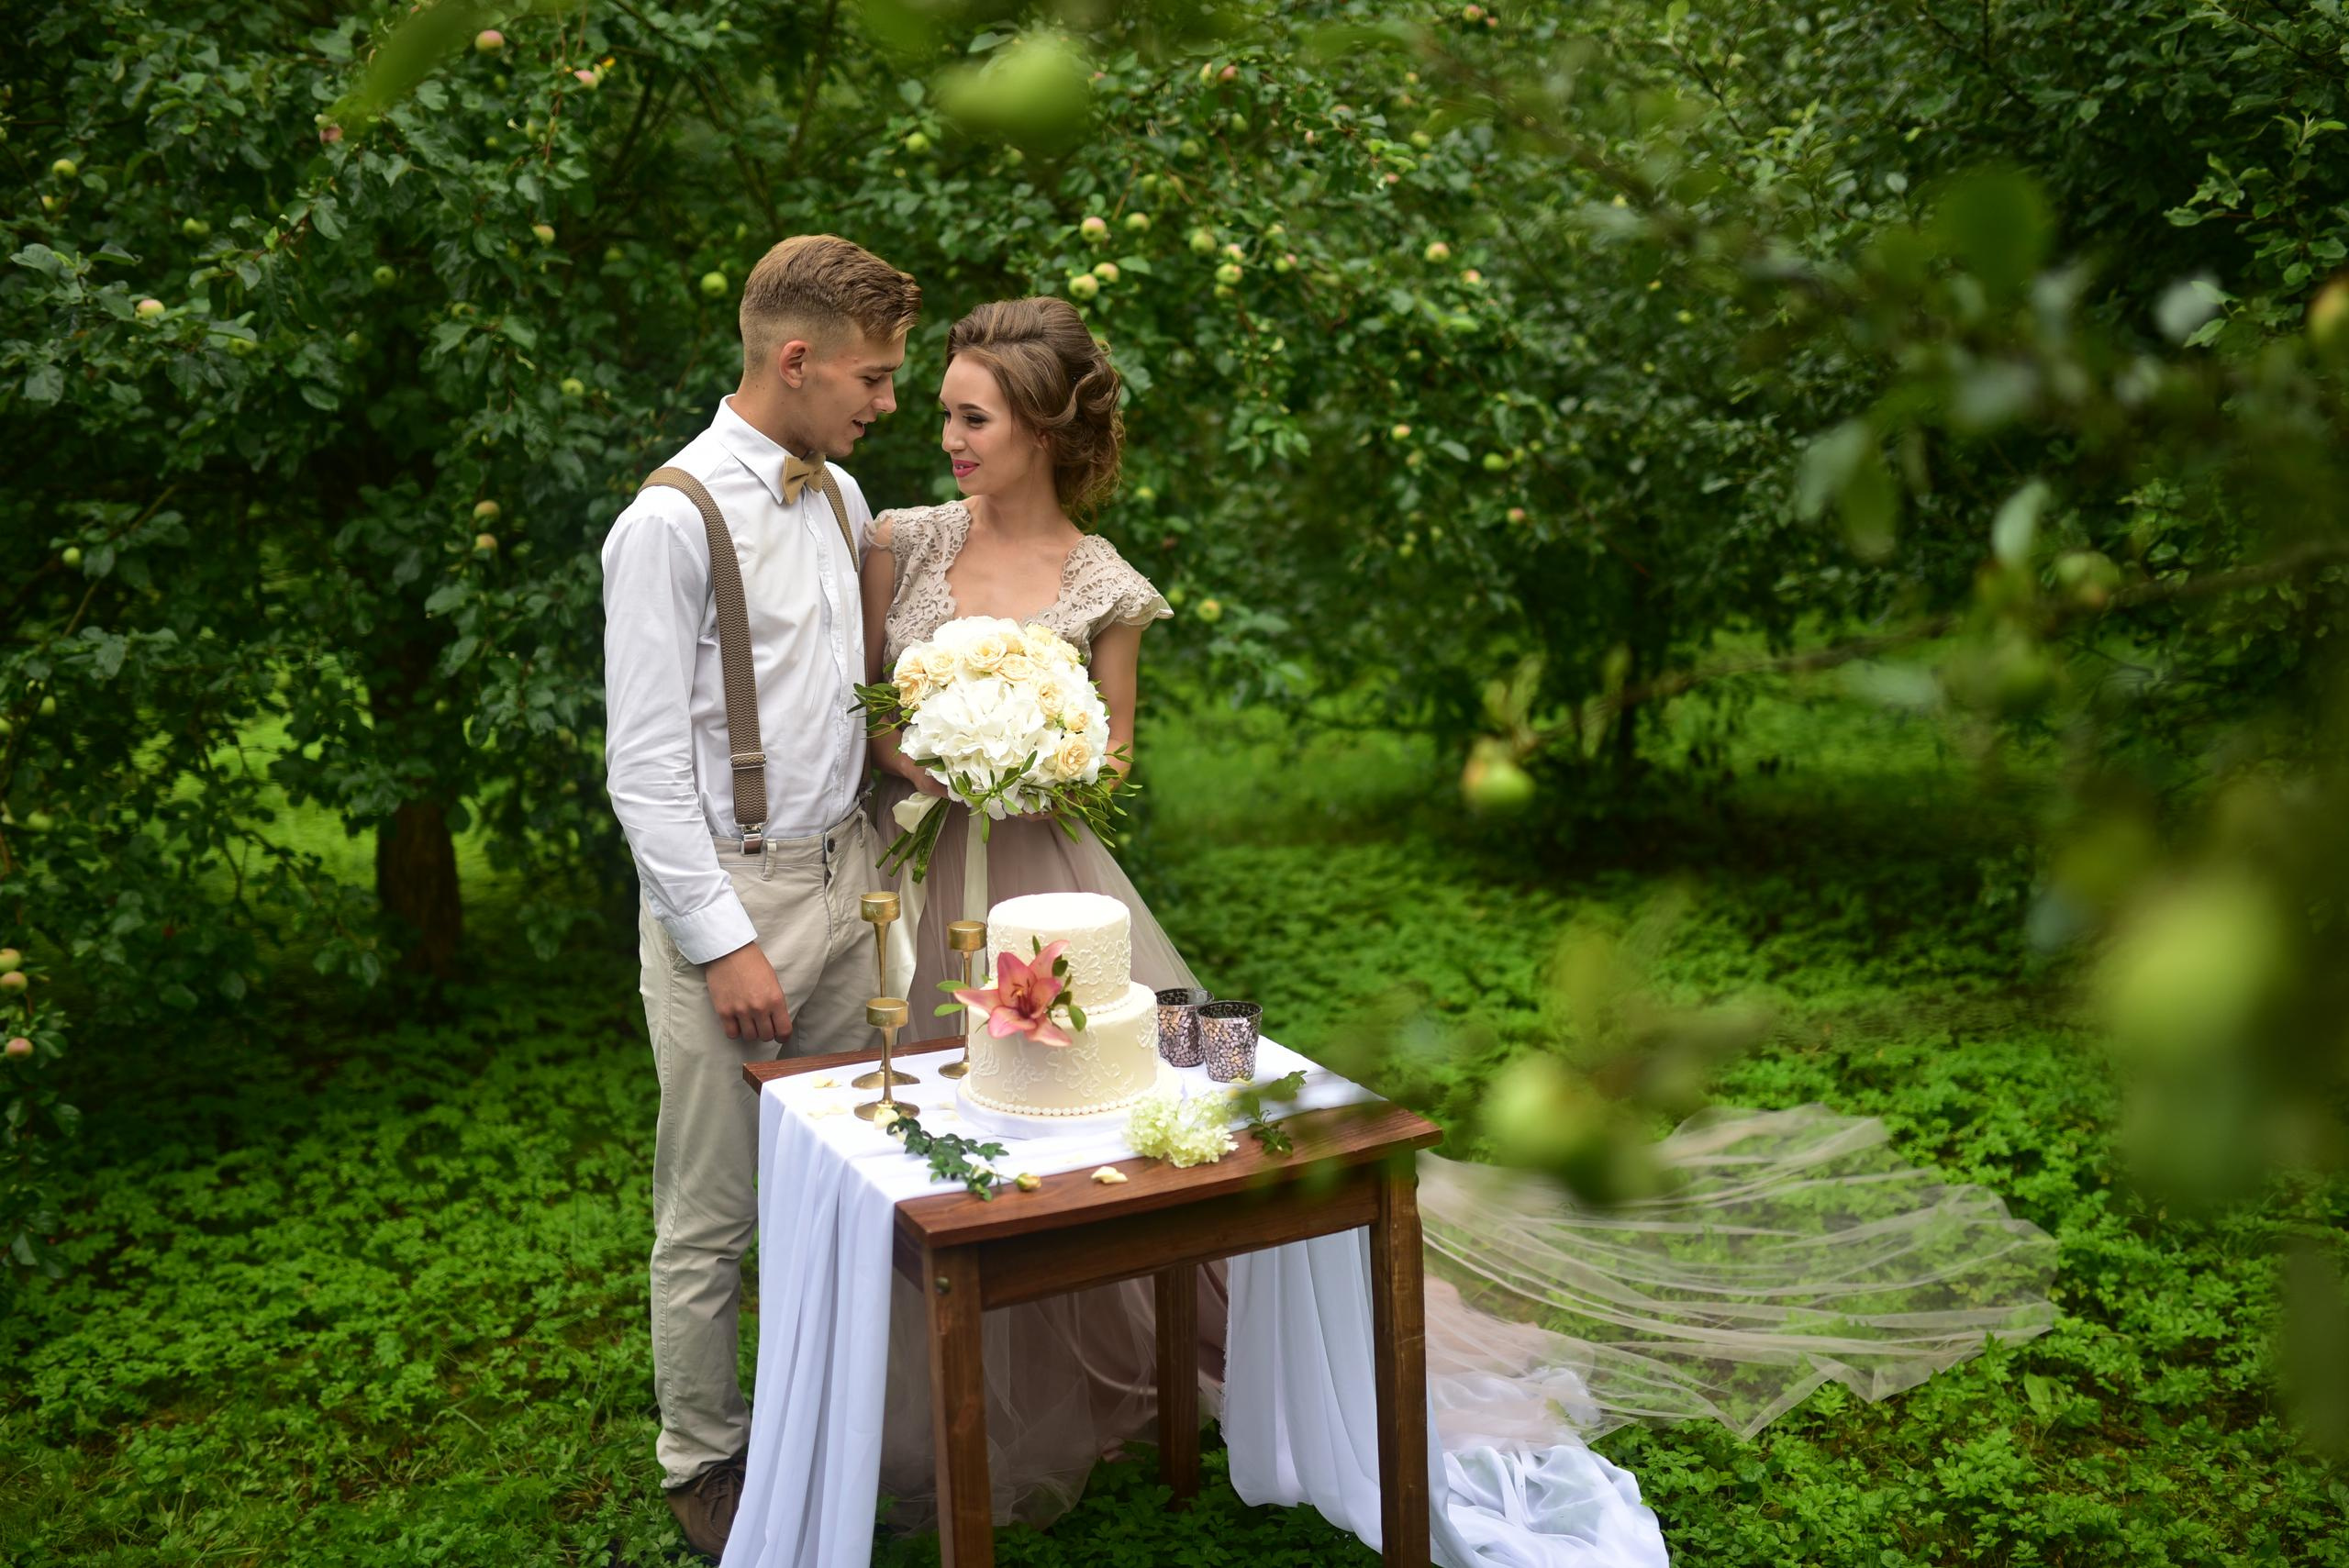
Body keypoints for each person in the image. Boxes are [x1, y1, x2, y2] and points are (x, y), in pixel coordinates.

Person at [854, 295, 2058, 1559]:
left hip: (1056, 881)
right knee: (946, 1126)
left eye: (970, 415)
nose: (945, 435)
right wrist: (935, 753)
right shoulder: (903, 540)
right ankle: (966, 1367)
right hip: (919, 877)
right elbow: (877, 716)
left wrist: (1027, 761)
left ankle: (1107, 1346)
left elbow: (1113, 759)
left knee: (1101, 1119)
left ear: (1043, 426)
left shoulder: (1102, 583)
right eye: (940, 410)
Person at [601, 233, 920, 1559]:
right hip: (729, 897)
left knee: (844, 1182)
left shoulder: (844, 502)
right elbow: (643, 770)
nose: (887, 402)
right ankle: (706, 1460)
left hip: (853, 884)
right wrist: (722, 944)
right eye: (875, 376)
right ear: (796, 361)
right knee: (716, 1208)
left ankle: (818, 1428)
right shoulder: (668, 521)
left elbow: (835, 703)